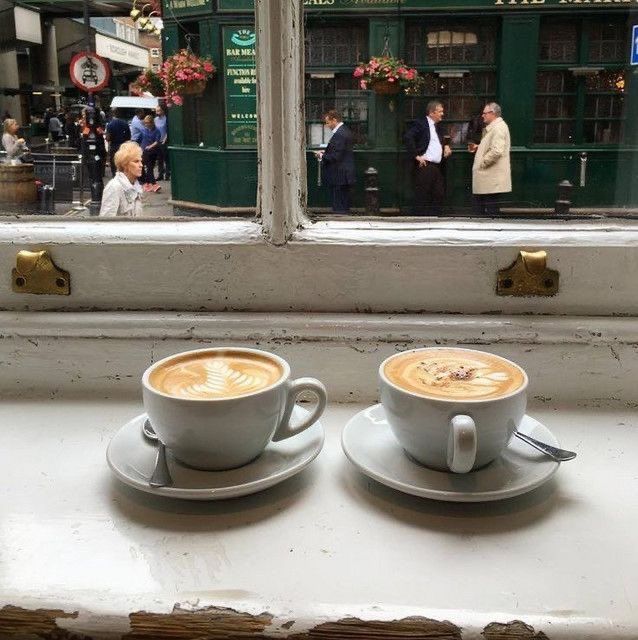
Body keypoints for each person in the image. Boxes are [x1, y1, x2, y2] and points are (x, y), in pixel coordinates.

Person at [403, 100, 452, 216]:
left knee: (438, 194)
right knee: (422, 195)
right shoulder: (421, 124)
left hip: (438, 166)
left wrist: (447, 147)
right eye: (440, 111)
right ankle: (418, 221)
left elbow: (444, 139)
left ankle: (434, 220)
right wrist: (416, 156)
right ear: (431, 112)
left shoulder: (439, 127)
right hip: (425, 165)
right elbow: (408, 137)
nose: (442, 114)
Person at [469, 102, 511, 216]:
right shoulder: (495, 127)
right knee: (486, 211)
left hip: (490, 179)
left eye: (484, 113)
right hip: (488, 180)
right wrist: (480, 148)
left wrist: (482, 163)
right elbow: (493, 147)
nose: (482, 116)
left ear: (492, 113)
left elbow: (497, 151)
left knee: (489, 213)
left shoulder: (498, 128)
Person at [314, 109, 355, 213]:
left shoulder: (339, 134)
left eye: (328, 122)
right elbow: (340, 151)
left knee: (339, 206)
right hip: (344, 174)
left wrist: (322, 155)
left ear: (334, 120)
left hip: (339, 175)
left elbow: (336, 156)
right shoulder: (345, 131)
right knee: (343, 203)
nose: (327, 125)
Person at [99, 141, 144, 217]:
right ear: (125, 165)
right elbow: (106, 222)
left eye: (140, 161)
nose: (141, 165)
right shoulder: (114, 187)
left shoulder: (137, 187)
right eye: (136, 161)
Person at [105, 108, 131, 177]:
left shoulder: (110, 125)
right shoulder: (125, 124)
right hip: (123, 147)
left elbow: (108, 138)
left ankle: (115, 177)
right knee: (122, 164)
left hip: (114, 147)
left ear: (112, 114)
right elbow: (129, 137)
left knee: (114, 164)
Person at [139, 115, 161, 192]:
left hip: (154, 152)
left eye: (148, 123)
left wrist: (151, 146)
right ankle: (154, 185)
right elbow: (139, 139)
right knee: (149, 167)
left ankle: (147, 184)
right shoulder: (144, 130)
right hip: (145, 152)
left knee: (150, 168)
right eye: (145, 123)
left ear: (152, 122)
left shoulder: (157, 131)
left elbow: (157, 141)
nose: (147, 124)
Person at [154, 104, 169, 180]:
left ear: (163, 111)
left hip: (164, 141)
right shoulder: (155, 119)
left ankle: (167, 174)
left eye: (159, 110)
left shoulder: (166, 119)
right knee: (159, 159)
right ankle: (160, 174)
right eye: (156, 110)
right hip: (157, 141)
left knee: (166, 159)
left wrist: (165, 139)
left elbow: (168, 130)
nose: (157, 112)